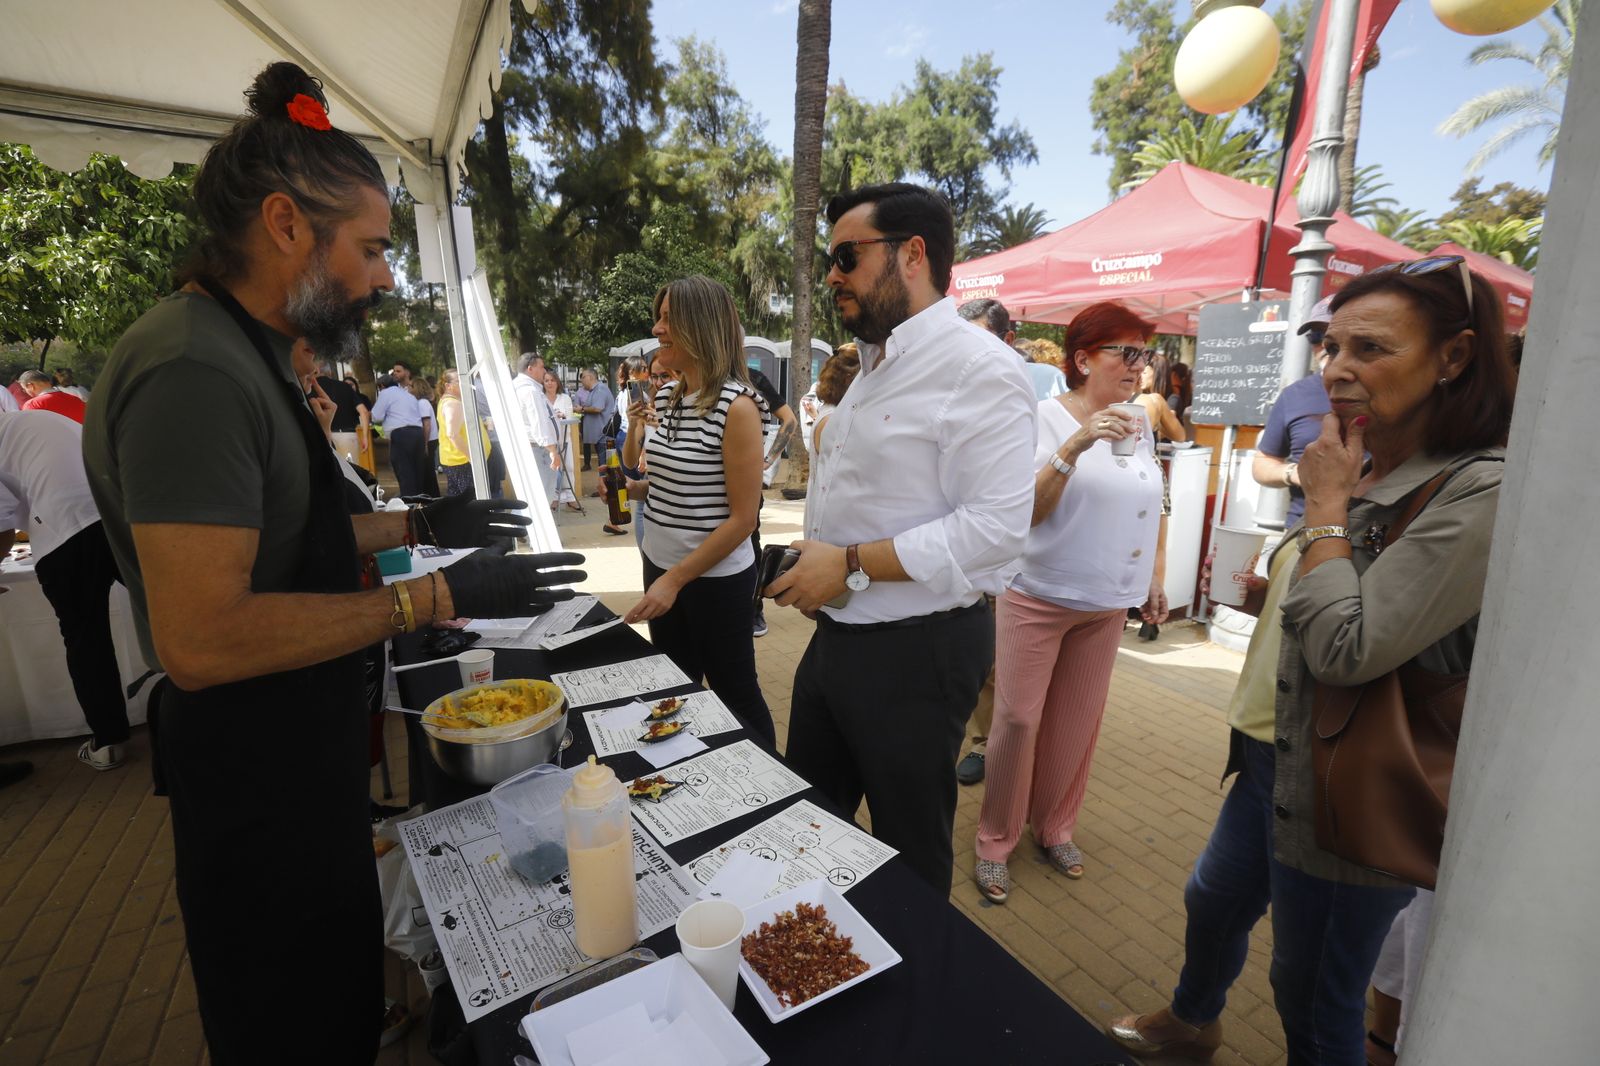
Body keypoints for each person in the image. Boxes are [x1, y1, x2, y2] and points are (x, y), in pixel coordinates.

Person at [80, 62, 586, 1065]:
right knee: (293, 1026)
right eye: (372, 248)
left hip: (296, 753)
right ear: (285, 225)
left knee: (338, 1003)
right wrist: (432, 595)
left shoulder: (245, 349)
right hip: (252, 775)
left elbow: (284, 534)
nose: (386, 277)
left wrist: (418, 520)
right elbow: (201, 636)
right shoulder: (192, 368)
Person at [1109, 255, 1514, 1064]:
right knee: (1212, 901)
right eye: (1332, 348)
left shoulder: (1476, 487)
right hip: (1274, 749)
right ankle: (1193, 1021)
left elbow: (1347, 648)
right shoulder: (1369, 461)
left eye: (1371, 349)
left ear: (1455, 357)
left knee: (1314, 994)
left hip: (1352, 784)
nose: (1337, 370)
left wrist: (1325, 506)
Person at [767, 182, 1037, 893]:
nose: (832, 276)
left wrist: (849, 564)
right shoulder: (873, 366)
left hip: (919, 654)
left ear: (913, 255)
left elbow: (996, 529)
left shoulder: (981, 368)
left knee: (909, 858)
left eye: (846, 257)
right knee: (807, 830)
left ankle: (915, 963)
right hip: (838, 641)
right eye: (830, 260)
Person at [973, 301, 1170, 901]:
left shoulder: (1139, 421)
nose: (1138, 366)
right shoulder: (1041, 417)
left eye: (1144, 354)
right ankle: (995, 839)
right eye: (1125, 352)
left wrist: (1154, 576)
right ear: (1083, 360)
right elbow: (1027, 512)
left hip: (1106, 602)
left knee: (1076, 723)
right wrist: (1078, 443)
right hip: (1039, 594)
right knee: (1017, 720)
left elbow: (1152, 501)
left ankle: (1055, 826)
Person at [621, 275, 774, 745]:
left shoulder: (738, 407)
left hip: (714, 581)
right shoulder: (668, 397)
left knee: (734, 693)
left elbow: (743, 519)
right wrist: (640, 489)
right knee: (674, 685)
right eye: (659, 317)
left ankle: (766, 778)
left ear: (701, 325)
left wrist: (674, 580)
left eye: (668, 318)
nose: (657, 328)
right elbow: (679, 480)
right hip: (661, 564)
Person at [0, 411, 131, 770]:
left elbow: (3, 532)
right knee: (164, 611)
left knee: (86, 639)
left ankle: (108, 742)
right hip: (118, 516)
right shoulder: (33, 420)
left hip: (63, 535)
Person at [951, 296, 1038, 787]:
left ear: (1008, 341)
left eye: (980, 338)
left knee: (995, 665)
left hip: (1008, 560)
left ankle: (988, 744)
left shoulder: (1030, 387)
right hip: (953, 554)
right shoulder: (948, 382)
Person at [1253, 296, 1334, 528]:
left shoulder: (1387, 392)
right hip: (1303, 529)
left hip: (1373, 532)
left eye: (1333, 336)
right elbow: (1263, 463)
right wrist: (1292, 472)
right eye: (1316, 337)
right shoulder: (1294, 395)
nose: (1325, 345)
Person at [745, 364, 798, 638]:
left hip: (746, 484)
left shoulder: (752, 378)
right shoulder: (694, 377)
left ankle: (753, 609)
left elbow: (789, 420)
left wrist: (767, 461)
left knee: (749, 542)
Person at [960, 298, 1066, 403]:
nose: (970, 348)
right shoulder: (955, 384)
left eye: (980, 339)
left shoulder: (1048, 380)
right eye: (960, 339)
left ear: (1008, 340)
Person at [511, 352, 565, 511]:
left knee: (531, 496)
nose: (544, 371)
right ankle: (529, 525)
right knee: (541, 495)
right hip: (539, 449)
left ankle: (523, 525)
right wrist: (552, 450)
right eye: (541, 367)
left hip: (533, 447)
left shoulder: (520, 387)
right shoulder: (530, 391)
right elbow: (538, 423)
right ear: (530, 369)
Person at [369, 372, 428, 497]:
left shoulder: (385, 393)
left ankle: (409, 501)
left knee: (404, 471)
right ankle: (420, 500)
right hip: (418, 433)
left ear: (382, 386)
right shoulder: (408, 395)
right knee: (417, 471)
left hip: (401, 434)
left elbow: (376, 416)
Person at [436, 369, 485, 498]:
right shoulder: (453, 403)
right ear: (448, 386)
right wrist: (472, 458)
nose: (465, 384)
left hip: (456, 459)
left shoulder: (448, 401)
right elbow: (452, 434)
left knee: (458, 499)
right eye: (459, 381)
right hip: (461, 460)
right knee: (469, 500)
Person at [316, 357, 370, 465]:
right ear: (330, 372)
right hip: (347, 436)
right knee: (351, 470)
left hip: (320, 437)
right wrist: (365, 437)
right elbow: (363, 412)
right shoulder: (345, 386)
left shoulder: (310, 387)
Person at [544, 372, 579, 510]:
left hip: (564, 437)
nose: (550, 383)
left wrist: (562, 416)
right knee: (552, 469)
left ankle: (570, 498)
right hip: (548, 441)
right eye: (546, 380)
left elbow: (569, 416)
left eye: (552, 380)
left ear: (557, 382)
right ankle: (553, 498)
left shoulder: (565, 398)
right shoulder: (541, 398)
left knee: (568, 467)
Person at [1135, 353, 1187, 443]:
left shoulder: (1172, 399)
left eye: (1144, 372)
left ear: (1157, 374)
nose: (1140, 376)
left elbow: (1170, 429)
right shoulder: (1140, 396)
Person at [574, 367, 616, 470]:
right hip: (602, 437)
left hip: (604, 437)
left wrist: (582, 409)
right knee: (609, 466)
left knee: (606, 467)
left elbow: (597, 408)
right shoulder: (596, 390)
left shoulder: (600, 389)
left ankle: (609, 480)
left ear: (590, 377)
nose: (581, 380)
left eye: (583, 377)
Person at [19, 369, 87, 423]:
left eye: (24, 389)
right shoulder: (76, 400)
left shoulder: (33, 405)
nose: (25, 392)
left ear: (30, 386)